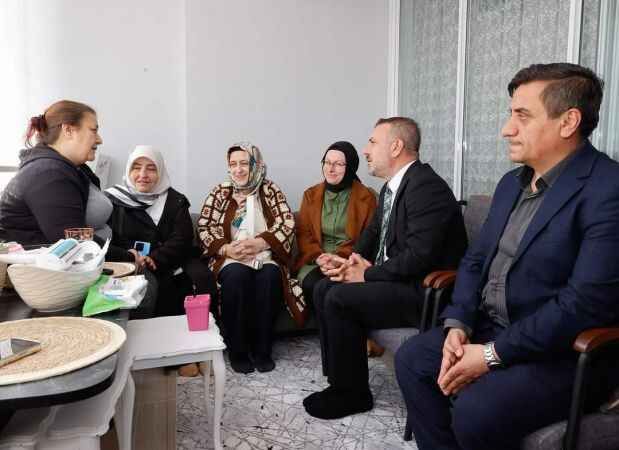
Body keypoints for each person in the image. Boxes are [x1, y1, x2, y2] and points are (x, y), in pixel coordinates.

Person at [394, 63, 619, 450]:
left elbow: (584, 304)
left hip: (561, 350)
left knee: (476, 410)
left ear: (568, 122)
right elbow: (475, 260)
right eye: (510, 113)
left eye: (522, 116)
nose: (506, 129)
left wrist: (491, 354)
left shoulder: (607, 188)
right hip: (490, 327)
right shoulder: (510, 183)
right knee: (413, 359)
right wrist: (459, 324)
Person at [303, 117, 467, 419]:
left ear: (396, 147)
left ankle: (352, 395)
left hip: (424, 292)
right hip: (398, 281)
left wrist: (365, 274)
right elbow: (372, 234)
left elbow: (418, 257)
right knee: (324, 286)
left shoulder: (426, 187)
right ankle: (339, 381)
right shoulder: (392, 187)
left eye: (373, 142)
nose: (366, 150)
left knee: (339, 298)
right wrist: (348, 261)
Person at [197, 142, 303, 374]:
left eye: (244, 163)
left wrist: (261, 242)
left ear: (256, 165)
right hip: (231, 257)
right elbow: (205, 227)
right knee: (236, 276)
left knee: (270, 276)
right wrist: (226, 249)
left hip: (265, 254)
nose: (238, 169)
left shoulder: (270, 190)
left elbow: (287, 223)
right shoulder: (220, 192)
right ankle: (238, 351)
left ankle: (262, 350)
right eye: (233, 164)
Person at [106, 145, 217, 324]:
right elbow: (112, 238)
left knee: (200, 278)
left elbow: (182, 239)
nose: (143, 174)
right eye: (136, 168)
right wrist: (132, 257)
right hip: (127, 262)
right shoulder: (114, 200)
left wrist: (153, 258)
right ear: (128, 170)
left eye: (151, 169)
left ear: (160, 172)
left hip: (170, 260)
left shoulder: (176, 201)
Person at [0, 100, 106, 245]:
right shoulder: (48, 174)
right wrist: (127, 255)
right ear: (68, 130)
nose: (99, 140)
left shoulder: (73, 168)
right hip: (40, 260)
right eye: (93, 130)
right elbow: (73, 240)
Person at [294, 141, 377, 310]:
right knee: (311, 283)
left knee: (329, 287)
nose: (330, 169)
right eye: (327, 162)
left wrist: (338, 259)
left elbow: (367, 238)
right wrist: (319, 257)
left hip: (349, 259)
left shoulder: (367, 197)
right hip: (316, 259)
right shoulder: (310, 195)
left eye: (338, 164)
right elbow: (303, 234)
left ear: (350, 167)